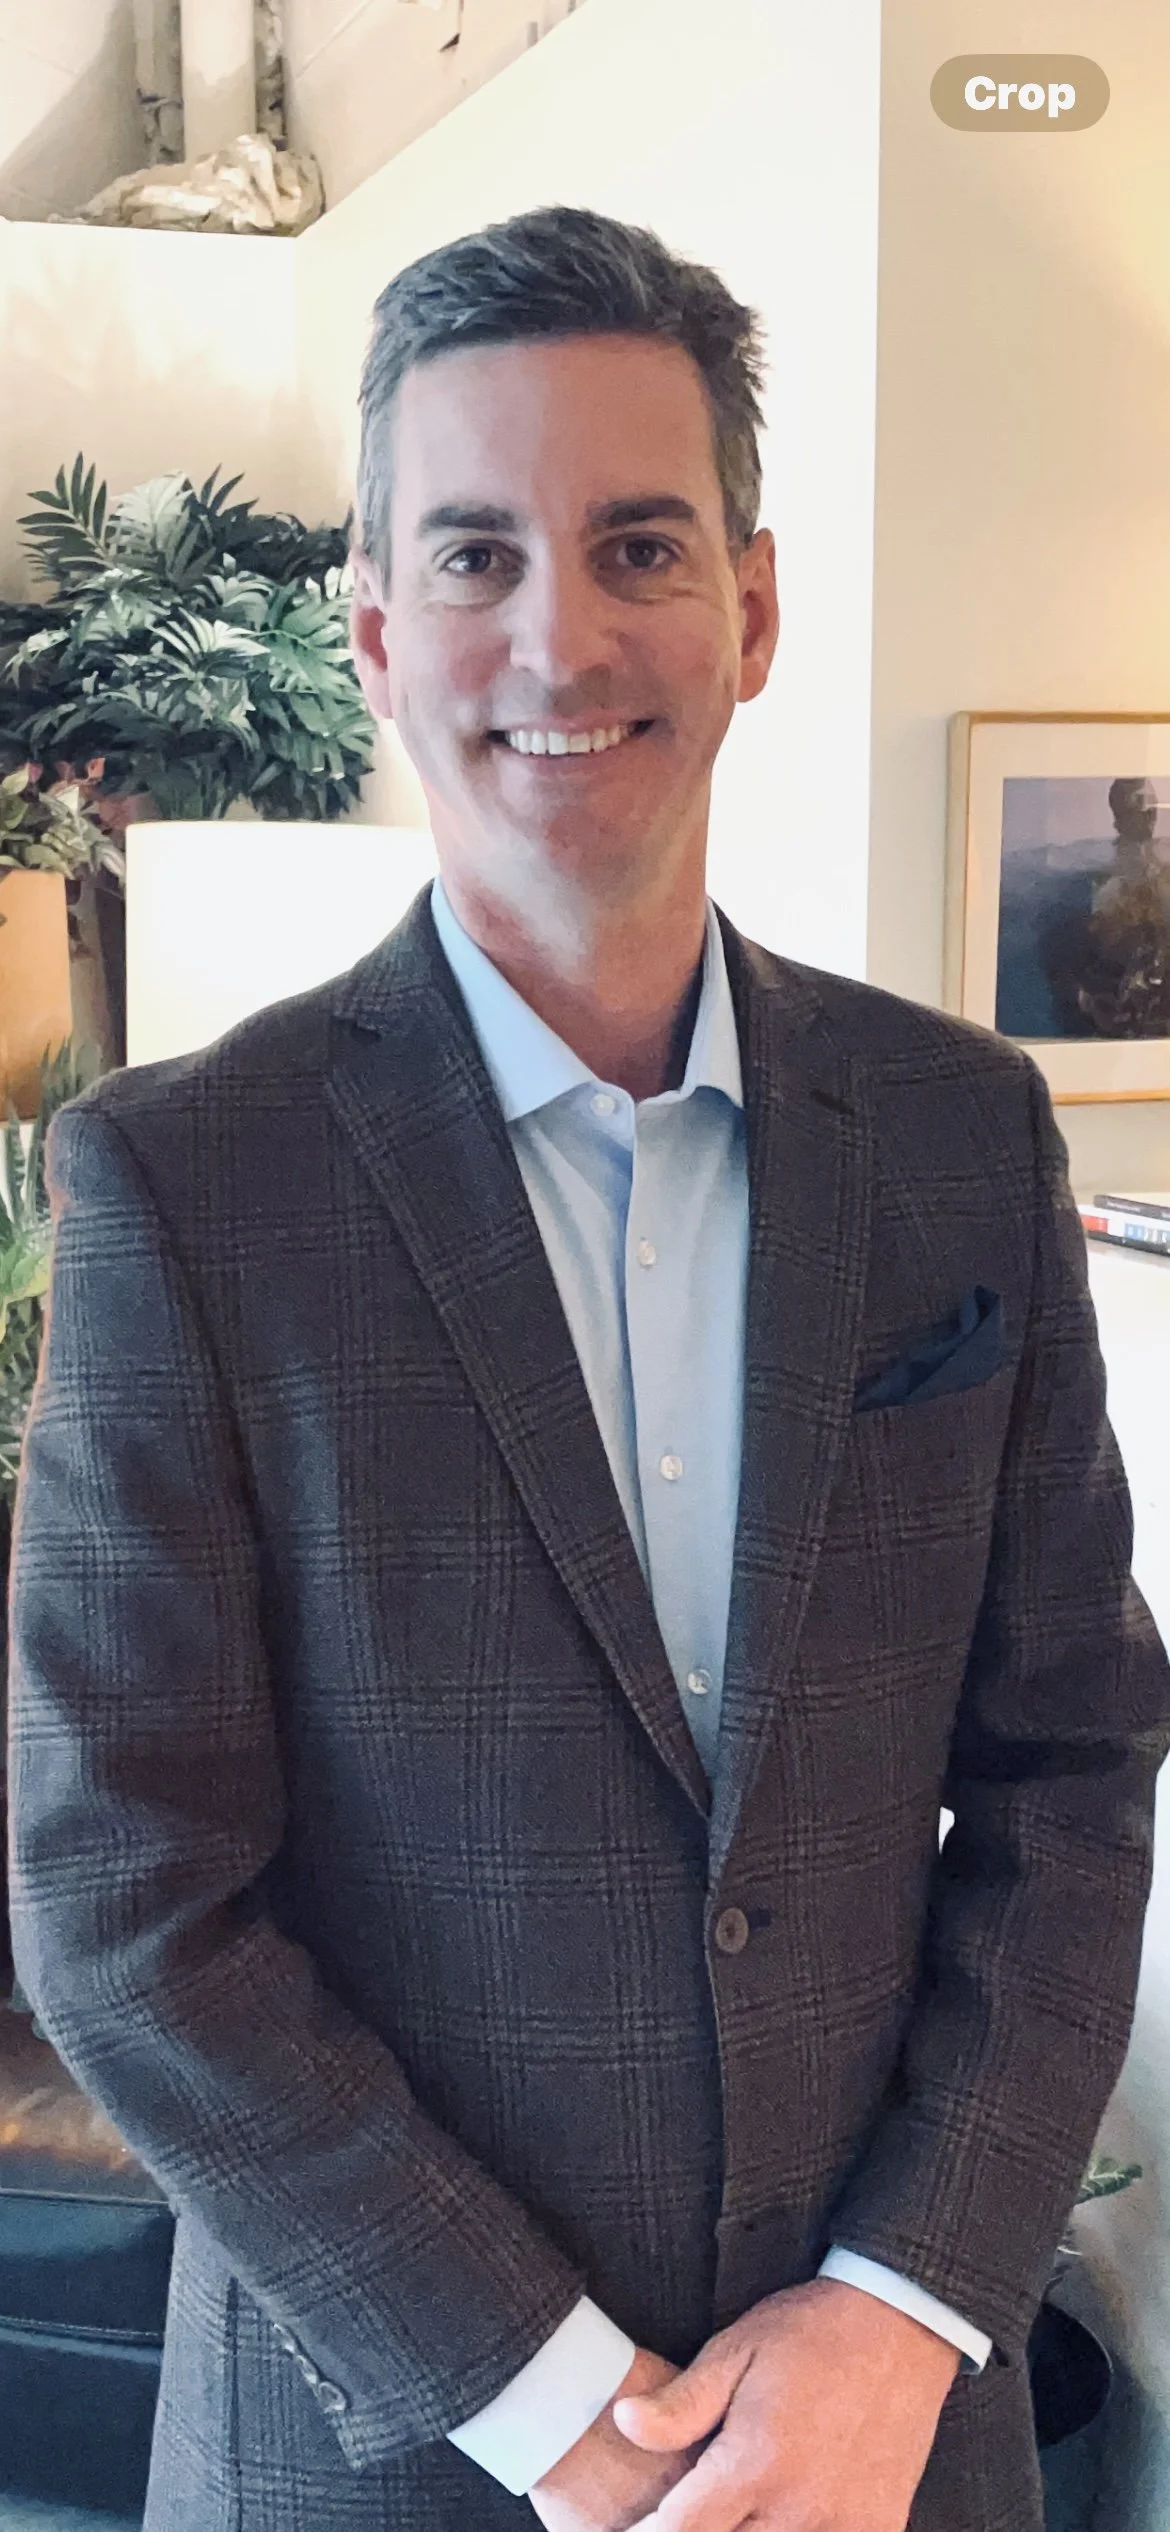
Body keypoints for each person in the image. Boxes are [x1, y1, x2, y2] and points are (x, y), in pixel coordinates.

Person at [8, 206, 1170, 2532]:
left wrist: (903, 2309)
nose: (561, 633)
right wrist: (558, 2408)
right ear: (371, 629)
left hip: (882, 2439)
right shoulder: (183, 1185)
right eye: (473, 555)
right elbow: (124, 1898)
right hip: (391, 2448)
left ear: (751, 605)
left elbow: (1070, 1768)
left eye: (639, 542)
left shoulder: (958, 1144)